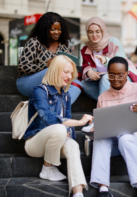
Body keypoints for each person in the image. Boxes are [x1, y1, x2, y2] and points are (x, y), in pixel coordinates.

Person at [24, 55, 92, 197]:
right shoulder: (40, 91)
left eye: (71, 73)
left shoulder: (66, 95)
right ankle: (47, 168)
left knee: (73, 145)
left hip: (55, 142)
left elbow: (66, 122)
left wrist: (68, 132)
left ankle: (78, 193)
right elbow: (48, 118)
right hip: (35, 143)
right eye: (65, 72)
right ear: (55, 70)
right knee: (60, 128)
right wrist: (79, 122)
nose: (69, 76)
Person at [90, 57, 137, 197]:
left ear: (127, 73)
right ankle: (103, 190)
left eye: (121, 75)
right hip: (115, 142)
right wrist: (95, 128)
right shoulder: (102, 97)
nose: (116, 79)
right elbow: (102, 124)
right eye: (112, 75)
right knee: (100, 140)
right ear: (107, 74)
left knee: (125, 138)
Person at [16, 12, 82, 104]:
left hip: (55, 82)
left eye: (59, 29)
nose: (57, 32)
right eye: (53, 29)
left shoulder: (64, 45)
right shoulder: (34, 42)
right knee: (55, 70)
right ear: (45, 29)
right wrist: (46, 65)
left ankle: (59, 107)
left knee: (77, 84)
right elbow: (22, 67)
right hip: (27, 82)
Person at [81, 17, 137, 101]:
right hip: (102, 81)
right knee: (83, 84)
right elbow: (85, 64)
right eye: (90, 32)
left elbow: (121, 62)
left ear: (102, 31)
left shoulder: (113, 42)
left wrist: (106, 60)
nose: (94, 35)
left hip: (121, 77)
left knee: (106, 78)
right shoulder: (86, 48)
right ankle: (117, 101)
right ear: (87, 33)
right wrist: (89, 72)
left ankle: (104, 107)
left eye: (97, 31)